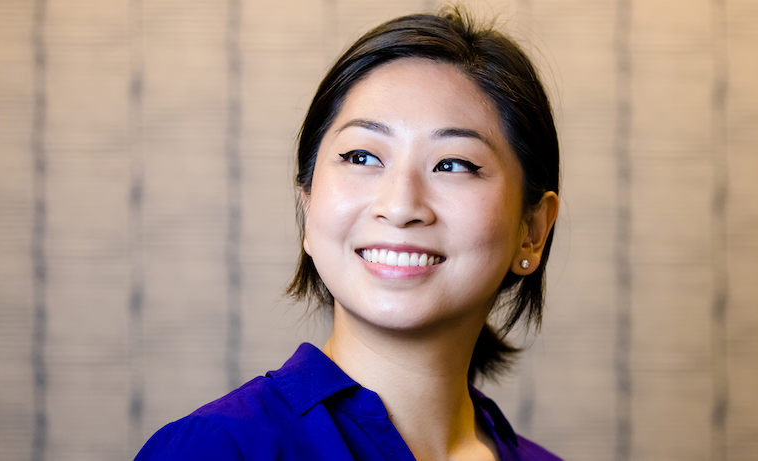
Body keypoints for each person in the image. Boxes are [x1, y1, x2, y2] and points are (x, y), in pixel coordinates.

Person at [134, 7, 562, 461]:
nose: (400, 206)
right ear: (308, 203)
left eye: (453, 164)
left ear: (532, 231)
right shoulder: (216, 448)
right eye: (362, 157)